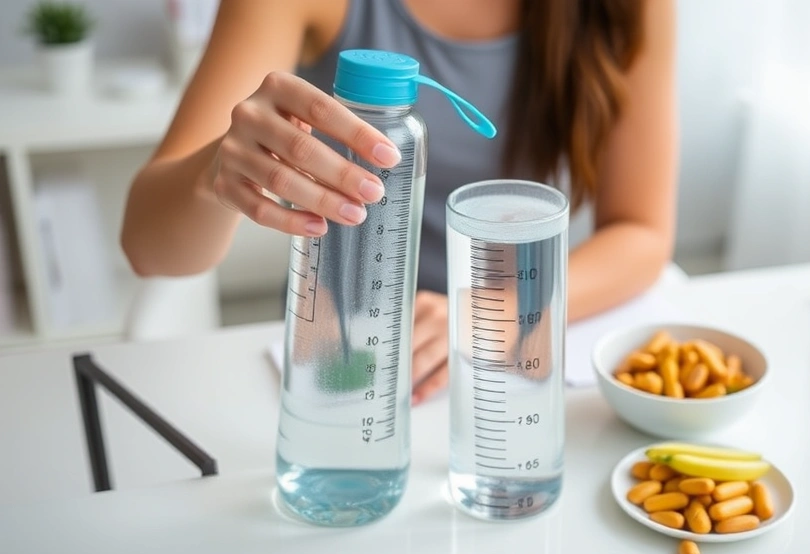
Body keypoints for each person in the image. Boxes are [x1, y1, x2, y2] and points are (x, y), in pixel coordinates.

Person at [121, 0, 679, 404]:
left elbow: (641, 230)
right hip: (340, 360)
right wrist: (217, 171)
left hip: (497, 360)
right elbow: (148, 249)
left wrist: (494, 310)